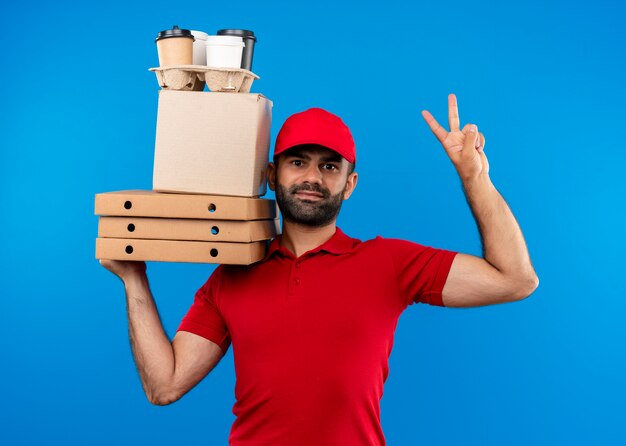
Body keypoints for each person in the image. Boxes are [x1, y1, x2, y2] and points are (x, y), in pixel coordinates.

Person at [100, 94, 538, 445]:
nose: (313, 177)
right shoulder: (231, 275)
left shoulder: (388, 262)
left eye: (329, 166)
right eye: (298, 162)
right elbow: (166, 384)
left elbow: (515, 279)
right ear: (272, 175)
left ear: (350, 184)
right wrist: (133, 276)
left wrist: (474, 178)